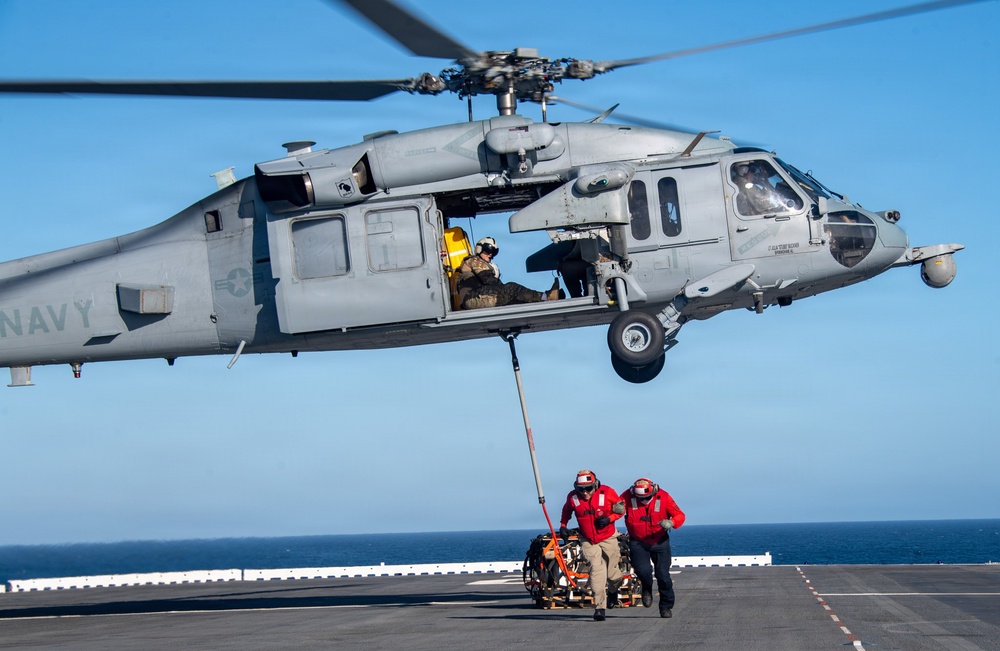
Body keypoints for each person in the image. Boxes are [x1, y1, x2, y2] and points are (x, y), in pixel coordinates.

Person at [559, 469, 626, 622]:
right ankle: (600, 608)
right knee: (596, 570)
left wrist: (609, 519)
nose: (585, 492)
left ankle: (614, 590)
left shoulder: (608, 492)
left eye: (588, 488)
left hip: (608, 538)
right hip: (587, 539)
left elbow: (621, 510)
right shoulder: (573, 497)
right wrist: (563, 526)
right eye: (581, 489)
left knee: (612, 574)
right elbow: (566, 511)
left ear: (595, 485)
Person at [622, 477, 686, 618]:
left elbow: (680, 515)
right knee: (643, 571)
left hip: (659, 542)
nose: (644, 501)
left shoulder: (664, 497)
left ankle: (666, 607)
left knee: (663, 576)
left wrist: (672, 522)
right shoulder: (627, 496)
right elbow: (615, 510)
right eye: (640, 498)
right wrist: (614, 510)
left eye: (646, 498)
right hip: (638, 542)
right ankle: (646, 589)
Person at [455, 236, 563, 309]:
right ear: (479, 249)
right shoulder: (473, 261)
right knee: (512, 288)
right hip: (472, 299)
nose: (490, 255)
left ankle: (546, 298)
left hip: (479, 297)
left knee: (515, 298)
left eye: (494, 252)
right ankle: (546, 297)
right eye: (488, 250)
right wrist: (505, 289)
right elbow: (489, 280)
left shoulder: (478, 263)